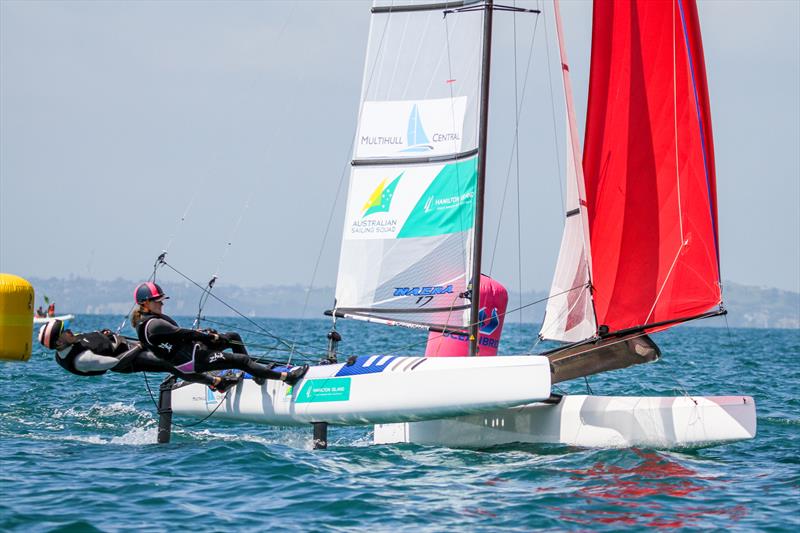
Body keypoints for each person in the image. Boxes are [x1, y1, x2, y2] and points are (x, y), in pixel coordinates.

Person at [131, 282, 308, 386]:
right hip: (192, 360)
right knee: (242, 361)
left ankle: (256, 374)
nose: (162, 304)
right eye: (158, 301)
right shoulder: (153, 324)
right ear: (145, 303)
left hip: (192, 352)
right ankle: (287, 378)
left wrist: (205, 335)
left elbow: (183, 337)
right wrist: (209, 337)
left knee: (232, 337)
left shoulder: (147, 321)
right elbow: (184, 333)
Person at [38, 319, 240, 391]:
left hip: (131, 346)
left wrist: (106, 334)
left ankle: (217, 358)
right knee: (171, 363)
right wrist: (140, 347)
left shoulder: (71, 340)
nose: (70, 330)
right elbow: (116, 362)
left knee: (179, 346)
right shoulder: (82, 360)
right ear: (58, 342)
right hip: (130, 360)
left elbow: (95, 339)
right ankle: (215, 382)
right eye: (65, 330)